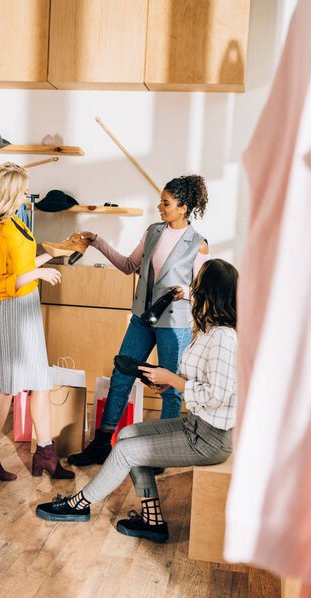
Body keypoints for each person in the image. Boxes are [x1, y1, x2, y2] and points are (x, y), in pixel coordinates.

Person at [35, 259, 238, 544]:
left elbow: (218, 394)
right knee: (128, 435)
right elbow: (202, 381)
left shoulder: (223, 338)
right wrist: (168, 379)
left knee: (128, 452)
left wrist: (172, 378)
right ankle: (152, 520)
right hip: (195, 426)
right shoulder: (207, 331)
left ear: (209, 291)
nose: (194, 287)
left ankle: (78, 505)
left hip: (209, 440)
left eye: (198, 282)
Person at [68, 174, 210, 467]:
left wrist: (186, 293)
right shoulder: (153, 232)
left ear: (183, 207)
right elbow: (129, 266)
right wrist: (97, 243)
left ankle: (163, 452)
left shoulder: (198, 244)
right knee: (121, 374)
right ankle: (100, 445)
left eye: (166, 202)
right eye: (161, 201)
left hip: (174, 324)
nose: (160, 207)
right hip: (142, 319)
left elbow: (204, 292)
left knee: (170, 387)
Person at [0, 162, 74, 481]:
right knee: (6, 387)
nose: (26, 194)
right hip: (12, 310)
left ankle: (46, 454)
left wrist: (57, 253)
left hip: (27, 307)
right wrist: (37, 273)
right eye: (22, 189)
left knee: (40, 382)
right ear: (9, 191)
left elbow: (24, 263)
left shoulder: (16, 222)